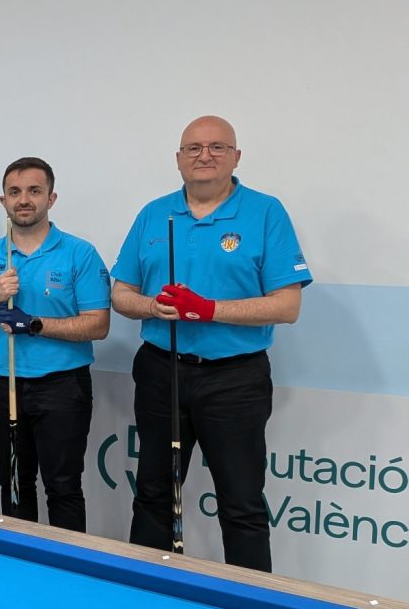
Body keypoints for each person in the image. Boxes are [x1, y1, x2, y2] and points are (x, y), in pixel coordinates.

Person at [111, 116, 312, 571]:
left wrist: (209, 309)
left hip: (234, 378)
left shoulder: (265, 212)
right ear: (178, 159)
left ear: (236, 157)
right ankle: (145, 592)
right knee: (153, 493)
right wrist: (150, 306)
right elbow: (120, 294)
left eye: (217, 147)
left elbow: (287, 306)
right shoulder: (153, 213)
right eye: (194, 148)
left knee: (241, 503)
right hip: (162, 370)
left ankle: (249, 599)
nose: (205, 155)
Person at [0, 157, 109, 531]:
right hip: (1, 384)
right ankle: (20, 559)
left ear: (51, 198)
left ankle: (67, 561)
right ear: (3, 201)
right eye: (15, 192)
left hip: (62, 387)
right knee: (13, 485)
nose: (24, 199)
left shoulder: (79, 253)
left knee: (63, 487)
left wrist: (35, 325)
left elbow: (98, 324)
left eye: (34, 191)